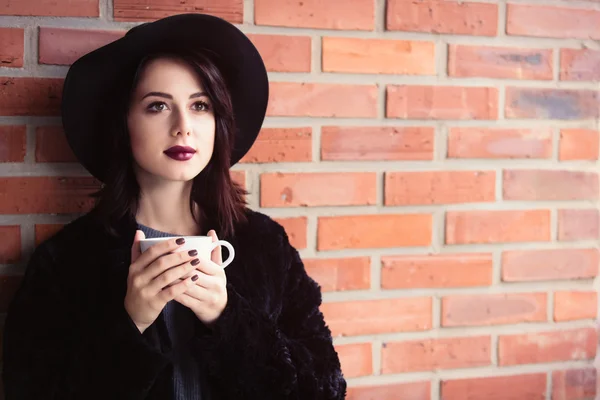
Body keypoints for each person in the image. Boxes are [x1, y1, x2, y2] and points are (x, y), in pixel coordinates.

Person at [2, 13, 347, 400]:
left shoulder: (265, 246)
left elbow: (325, 390)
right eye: (157, 106)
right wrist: (130, 321)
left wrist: (228, 318)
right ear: (124, 123)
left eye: (200, 106)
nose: (183, 126)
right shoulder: (67, 262)